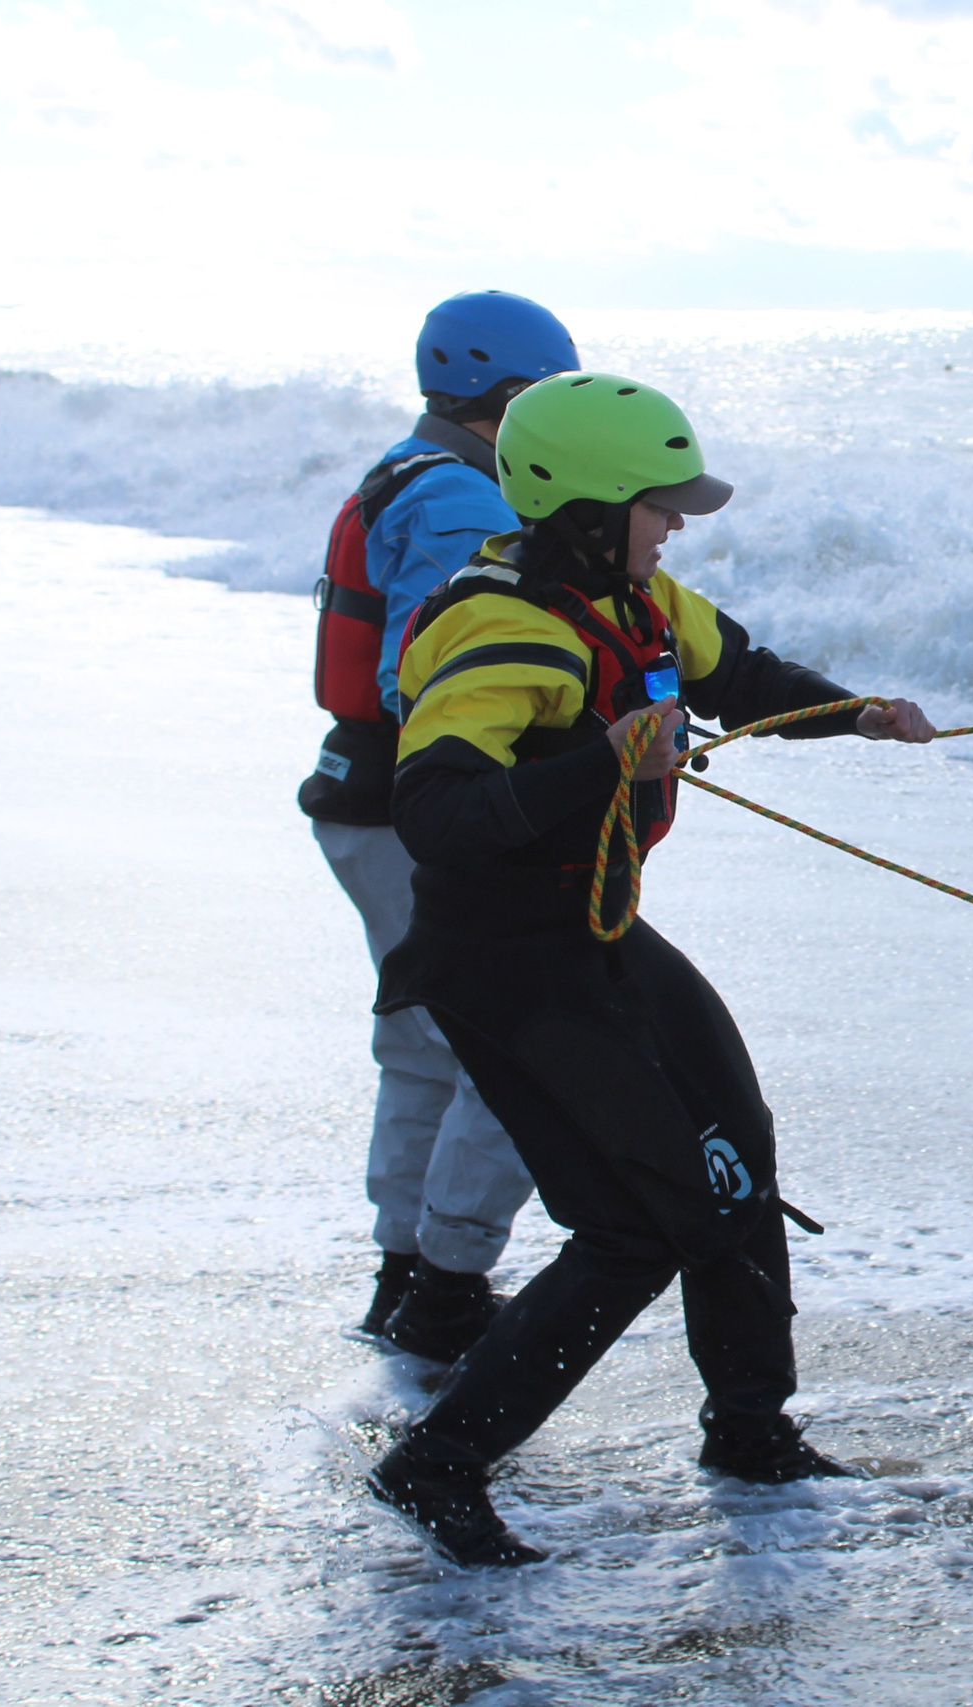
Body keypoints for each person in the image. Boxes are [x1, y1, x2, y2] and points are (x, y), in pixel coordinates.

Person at [365, 370, 937, 1567]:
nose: (676, 522)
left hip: (600, 927)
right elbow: (439, 812)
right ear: (583, 504)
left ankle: (751, 1429)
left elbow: (742, 677)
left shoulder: (638, 599)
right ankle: (436, 1463)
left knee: (735, 1143)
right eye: (659, 504)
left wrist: (857, 714)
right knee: (636, 1225)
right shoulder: (500, 626)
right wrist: (604, 760)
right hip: (503, 961)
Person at [301, 291, 579, 1362]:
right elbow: (424, 676)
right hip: (420, 818)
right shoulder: (464, 502)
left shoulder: (406, 471)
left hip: (360, 801)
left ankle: (405, 1275)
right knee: (510, 1054)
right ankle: (448, 1286)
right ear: (509, 399)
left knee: (420, 1046)